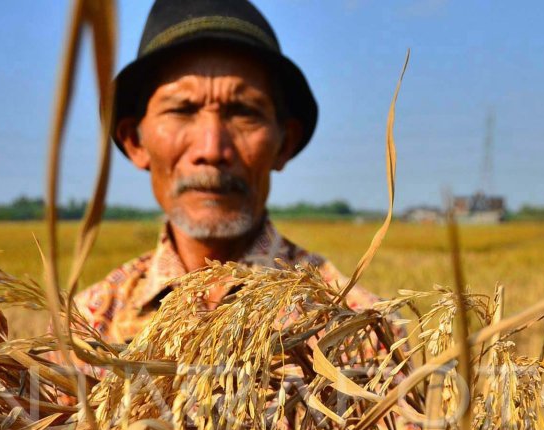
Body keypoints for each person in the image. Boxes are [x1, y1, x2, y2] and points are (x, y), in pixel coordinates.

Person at [72, 0, 378, 346]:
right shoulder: (86, 332)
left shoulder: (355, 329)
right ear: (135, 143)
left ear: (284, 144)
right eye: (182, 110)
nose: (212, 149)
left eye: (243, 112)